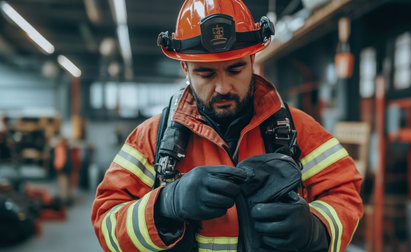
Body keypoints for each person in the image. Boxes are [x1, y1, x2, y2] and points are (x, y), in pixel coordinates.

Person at [91, 0, 363, 251]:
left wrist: (317, 229)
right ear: (185, 68)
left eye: (235, 70)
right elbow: (107, 223)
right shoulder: (152, 138)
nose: (223, 87)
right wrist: (164, 206)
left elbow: (345, 194)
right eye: (206, 73)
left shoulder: (298, 129)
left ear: (252, 61)